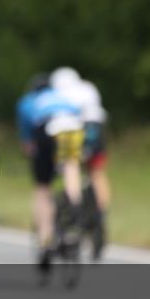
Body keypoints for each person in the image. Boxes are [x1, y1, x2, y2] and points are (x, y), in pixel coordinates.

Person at [16, 73, 84, 275]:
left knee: (42, 188)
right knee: (71, 167)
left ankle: (45, 240)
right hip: (71, 128)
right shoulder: (62, 96)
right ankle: (74, 205)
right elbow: (79, 114)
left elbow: (27, 139)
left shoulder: (28, 101)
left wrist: (30, 150)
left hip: (46, 129)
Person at [51, 67, 111, 258]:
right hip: (96, 128)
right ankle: (102, 213)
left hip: (72, 129)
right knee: (97, 172)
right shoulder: (89, 88)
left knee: (71, 166)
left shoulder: (57, 93)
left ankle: (75, 206)